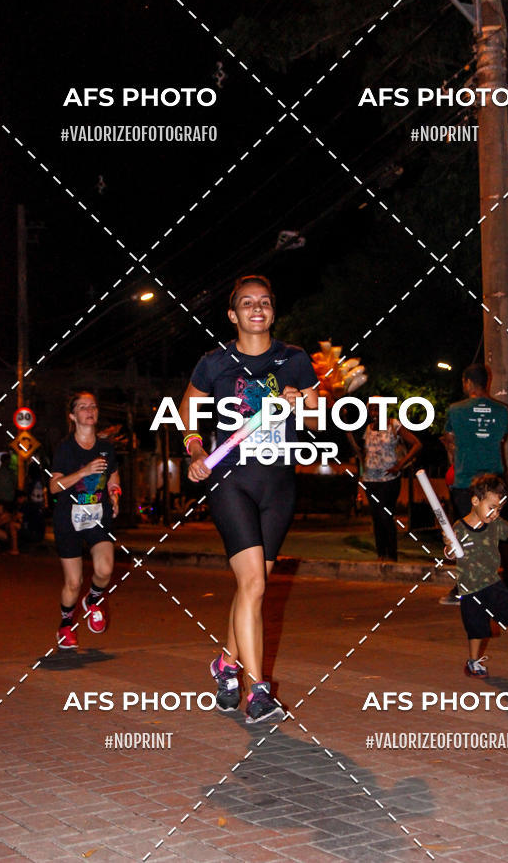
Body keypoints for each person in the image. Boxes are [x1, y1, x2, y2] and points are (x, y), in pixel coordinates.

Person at [181, 274, 318, 724]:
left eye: (264, 302)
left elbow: (317, 422)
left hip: (279, 482)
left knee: (251, 588)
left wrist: (302, 404)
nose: (256, 308)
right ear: (232, 314)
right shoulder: (214, 363)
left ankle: (225, 664)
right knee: (255, 585)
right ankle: (258, 692)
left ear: (272, 311)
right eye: (246, 302)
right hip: (231, 480)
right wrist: (196, 448)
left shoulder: (295, 360)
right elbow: (188, 411)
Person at [49, 391, 120, 649]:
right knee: (73, 582)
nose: (89, 410)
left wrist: (115, 494)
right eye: (82, 407)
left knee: (105, 569)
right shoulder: (65, 448)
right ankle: (66, 625)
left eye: (93, 406)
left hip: (98, 516)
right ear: (72, 415)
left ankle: (92, 600)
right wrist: (84, 471)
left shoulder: (106, 447)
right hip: (69, 519)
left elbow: (113, 475)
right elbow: (54, 487)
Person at [439, 363, 508, 604]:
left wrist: (454, 453)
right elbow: (499, 438)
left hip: (465, 480)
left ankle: (466, 586)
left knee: (468, 535)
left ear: (467, 382)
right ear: (487, 382)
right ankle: (503, 581)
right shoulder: (503, 411)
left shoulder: (456, 410)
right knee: (496, 533)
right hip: (494, 481)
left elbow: (450, 441)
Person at [444, 474, 508, 677]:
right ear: (475, 501)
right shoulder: (459, 528)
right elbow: (449, 553)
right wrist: (449, 547)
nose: (495, 513)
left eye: (499, 509)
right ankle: (473, 662)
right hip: (469, 588)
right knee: (476, 628)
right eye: (491, 507)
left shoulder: (496, 525)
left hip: (492, 583)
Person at [354, 401, 421, 560]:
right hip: (370, 480)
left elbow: (417, 444)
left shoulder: (393, 424)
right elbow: (363, 452)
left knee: (386, 515)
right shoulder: (368, 428)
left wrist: (400, 465)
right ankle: (381, 555)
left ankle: (391, 555)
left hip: (389, 479)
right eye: (372, 408)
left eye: (378, 407)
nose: (374, 411)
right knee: (376, 517)